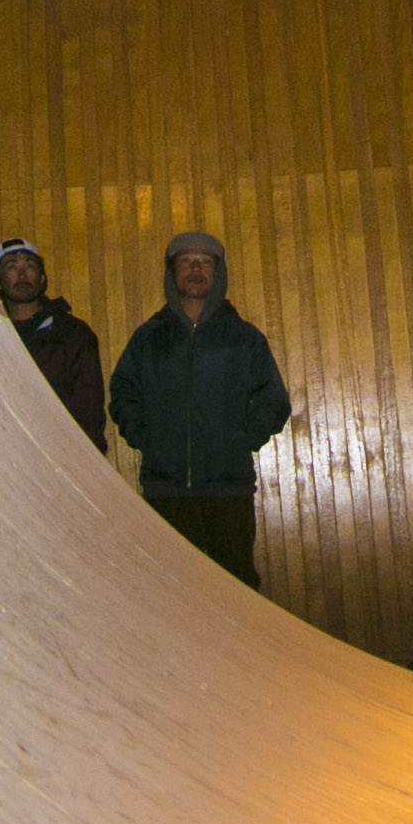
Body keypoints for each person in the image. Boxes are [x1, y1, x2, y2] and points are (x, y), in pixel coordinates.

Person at [107, 231, 290, 587]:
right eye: (186, 261)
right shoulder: (148, 338)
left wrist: (239, 440)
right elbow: (123, 391)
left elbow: (274, 400)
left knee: (237, 591)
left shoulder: (244, 338)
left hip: (228, 492)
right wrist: (148, 437)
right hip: (166, 493)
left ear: (218, 273)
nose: (195, 268)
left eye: (205, 262)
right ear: (172, 272)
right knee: (172, 593)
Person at [0, 238, 106, 451]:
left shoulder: (73, 334)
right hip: (1, 457)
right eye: (11, 267)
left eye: (30, 266)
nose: (22, 274)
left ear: (42, 279)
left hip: (61, 456)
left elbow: (89, 408)